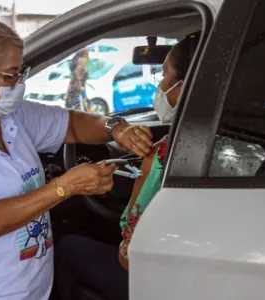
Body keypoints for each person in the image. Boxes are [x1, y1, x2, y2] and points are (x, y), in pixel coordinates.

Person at [0, 15, 154, 300]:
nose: (18, 83)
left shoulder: (9, 114)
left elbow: (71, 125)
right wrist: (65, 187)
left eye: (21, 72)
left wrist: (115, 128)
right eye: (10, 76)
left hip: (30, 291)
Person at [55, 35, 198, 300]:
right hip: (196, 276)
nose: (160, 86)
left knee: (67, 248)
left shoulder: (165, 153)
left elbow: (129, 254)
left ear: (186, 85)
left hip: (156, 284)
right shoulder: (254, 132)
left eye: (164, 75)